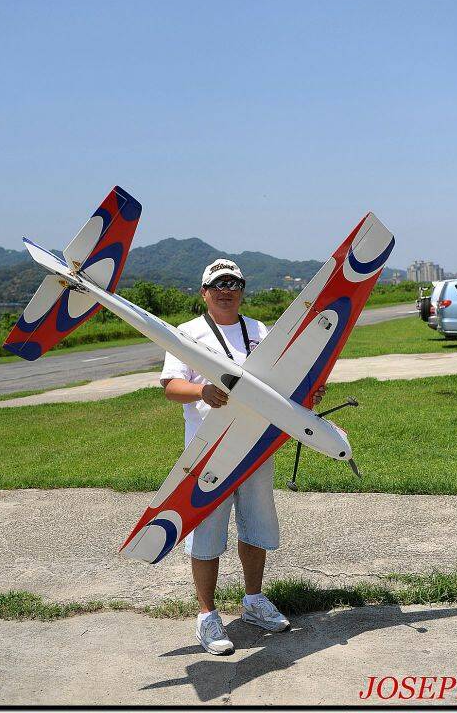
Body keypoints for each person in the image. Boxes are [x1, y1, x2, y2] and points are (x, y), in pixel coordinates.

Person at [160, 258, 326, 656]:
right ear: (204, 292)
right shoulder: (188, 332)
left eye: (233, 283)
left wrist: (307, 394)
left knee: (256, 525)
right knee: (206, 532)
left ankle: (254, 600)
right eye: (218, 284)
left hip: (256, 447)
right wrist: (201, 392)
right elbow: (170, 386)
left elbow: (281, 382)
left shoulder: (260, 330)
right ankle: (207, 614)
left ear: (242, 290)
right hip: (209, 452)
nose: (226, 290)